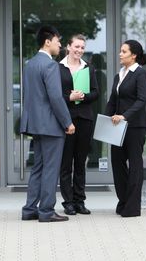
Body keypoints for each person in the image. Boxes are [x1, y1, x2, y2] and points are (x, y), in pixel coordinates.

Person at [20, 26, 75, 223]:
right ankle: (46, 211)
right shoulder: (50, 66)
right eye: (58, 41)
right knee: (51, 169)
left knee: (38, 167)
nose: (60, 44)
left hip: (35, 123)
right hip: (51, 125)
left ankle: (29, 209)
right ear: (47, 42)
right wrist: (67, 122)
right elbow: (55, 97)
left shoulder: (30, 64)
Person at [105, 40, 146, 217]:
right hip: (117, 127)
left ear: (134, 55)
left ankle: (132, 207)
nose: (120, 54)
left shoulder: (140, 74)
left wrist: (124, 116)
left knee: (135, 166)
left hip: (135, 126)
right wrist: (105, 120)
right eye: (120, 51)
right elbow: (112, 101)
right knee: (117, 164)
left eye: (124, 51)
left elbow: (141, 100)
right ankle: (123, 201)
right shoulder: (120, 75)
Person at [58, 34, 99, 215]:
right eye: (76, 46)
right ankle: (68, 202)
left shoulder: (88, 68)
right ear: (68, 46)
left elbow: (96, 92)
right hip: (66, 119)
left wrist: (83, 96)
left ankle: (79, 201)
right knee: (66, 162)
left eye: (82, 47)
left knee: (80, 162)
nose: (79, 50)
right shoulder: (58, 68)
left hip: (85, 119)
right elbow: (54, 96)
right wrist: (69, 97)